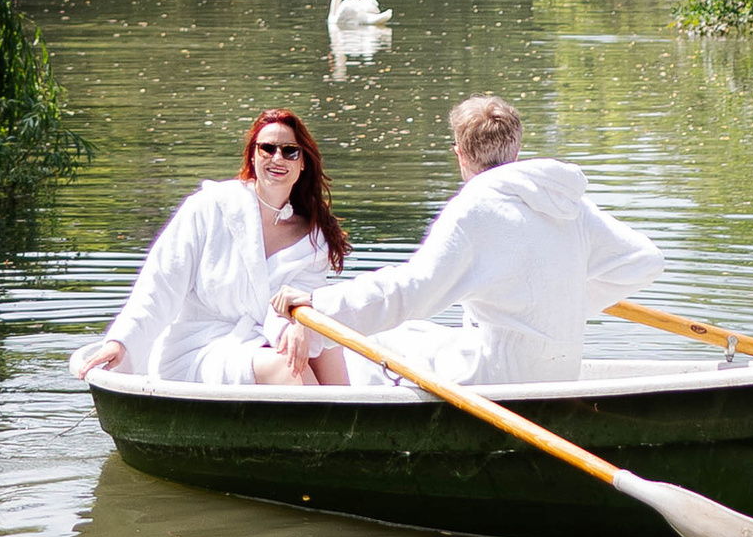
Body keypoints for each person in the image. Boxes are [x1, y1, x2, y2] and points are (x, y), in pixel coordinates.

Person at [270, 91, 658, 389]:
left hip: (499, 381)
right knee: (406, 334)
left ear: (459, 154)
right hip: (557, 370)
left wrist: (321, 306)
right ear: (517, 149)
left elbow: (413, 290)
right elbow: (644, 261)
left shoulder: (475, 206)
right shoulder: (565, 202)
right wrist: (565, 300)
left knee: (370, 345)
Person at [71, 109, 356, 388]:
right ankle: (322, 431)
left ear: (303, 162)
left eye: (289, 151)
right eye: (267, 148)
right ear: (253, 156)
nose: (277, 158)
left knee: (327, 342)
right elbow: (159, 286)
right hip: (201, 345)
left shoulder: (312, 238)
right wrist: (121, 342)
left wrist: (298, 326)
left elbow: (297, 304)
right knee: (289, 367)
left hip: (263, 338)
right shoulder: (209, 209)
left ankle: (350, 425)